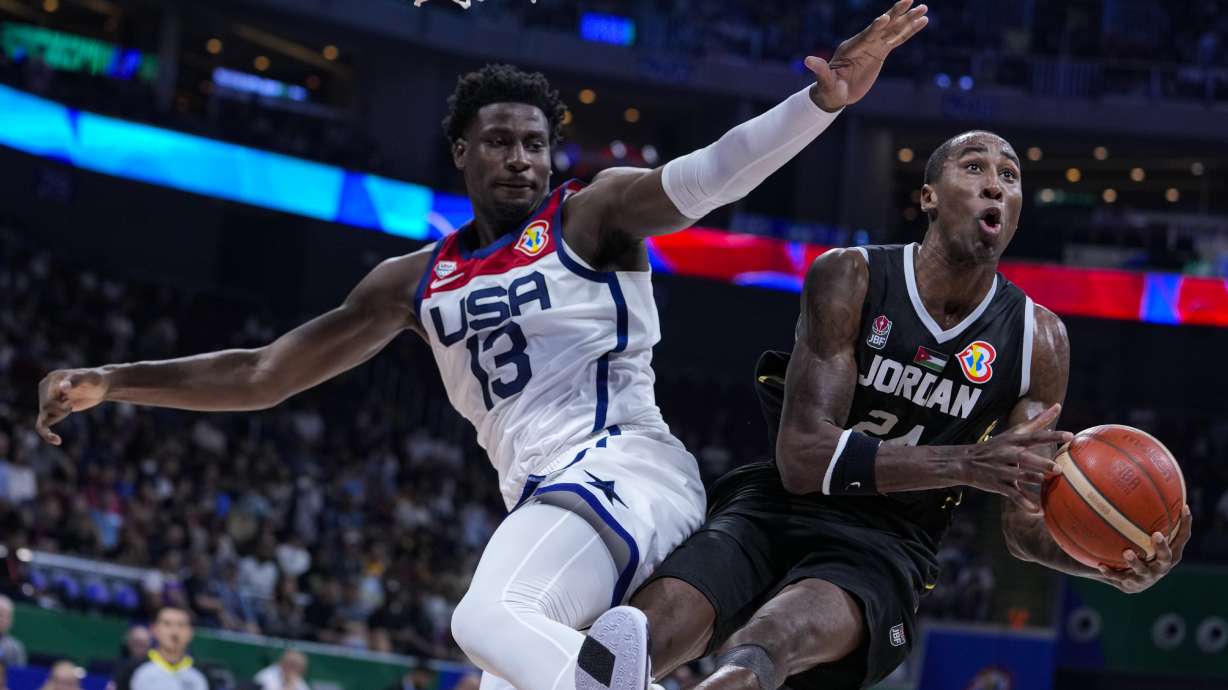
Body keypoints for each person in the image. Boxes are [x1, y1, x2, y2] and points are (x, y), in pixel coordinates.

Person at [35, 3, 927, 688]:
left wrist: (818, 103)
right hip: (551, 502)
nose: (521, 160)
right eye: (499, 142)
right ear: (461, 151)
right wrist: (115, 380)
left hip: (627, 471)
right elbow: (264, 374)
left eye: (536, 144)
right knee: (507, 666)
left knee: (492, 613)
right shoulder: (410, 282)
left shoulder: (593, 214)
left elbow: (713, 172)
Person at [576, 130, 1194, 690]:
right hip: (776, 505)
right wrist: (966, 463)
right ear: (929, 197)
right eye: (975, 167)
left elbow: (1023, 528)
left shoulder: (1039, 339)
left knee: (766, 645)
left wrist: (1109, 565)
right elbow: (801, 458)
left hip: (885, 545)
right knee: (637, 637)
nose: (994, 185)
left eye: (1010, 176)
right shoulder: (850, 276)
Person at [111, 606, 211, 690]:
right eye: (167, 624)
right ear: (154, 629)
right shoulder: (131, 670)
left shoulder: (204, 675)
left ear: (191, 632)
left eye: (181, 625)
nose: (174, 632)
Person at [0, 596, 26, 668]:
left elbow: (19, 675)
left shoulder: (15, 648)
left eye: (8, 617)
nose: (3, 620)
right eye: (0, 615)